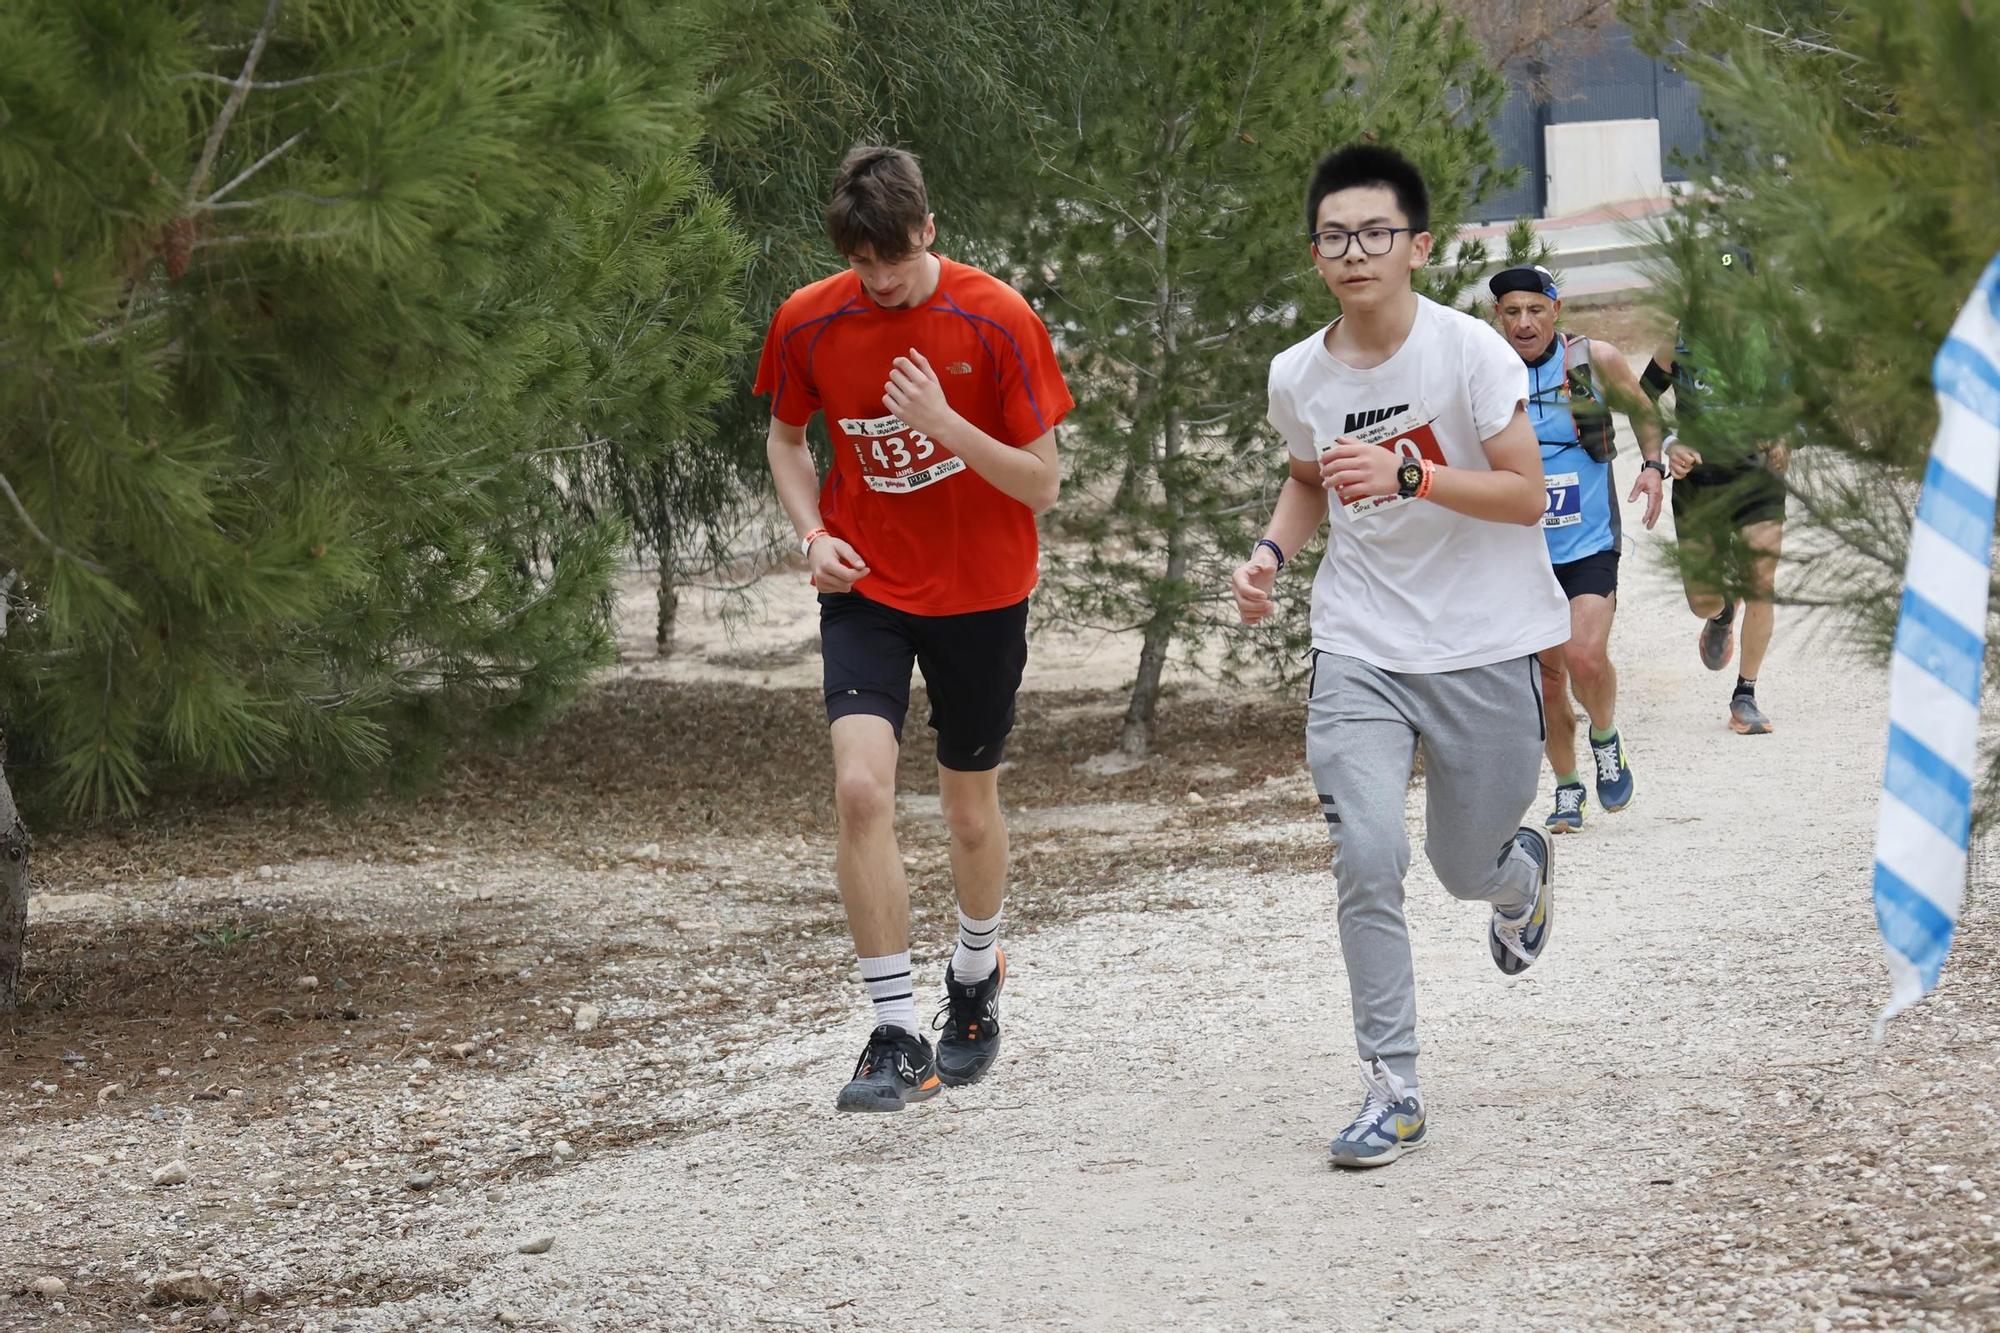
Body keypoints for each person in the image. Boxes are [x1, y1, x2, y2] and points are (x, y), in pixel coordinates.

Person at [1231, 144, 1567, 1169]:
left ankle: (1517, 878)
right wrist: (1268, 554)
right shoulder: (1298, 371)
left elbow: (1523, 495)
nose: (1353, 251)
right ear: (1314, 253)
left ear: (1417, 246)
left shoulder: (1470, 353)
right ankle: (1392, 1084)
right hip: (1359, 643)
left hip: (1480, 641)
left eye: (1374, 233)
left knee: (1461, 866)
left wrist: (1410, 473)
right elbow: (1304, 479)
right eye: (1333, 235)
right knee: (1366, 854)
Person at [755, 145, 1073, 1112]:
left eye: (896, 258)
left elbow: (1044, 481)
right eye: (864, 264)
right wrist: (813, 533)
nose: (883, 281)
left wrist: (946, 425)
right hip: (867, 586)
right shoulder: (808, 319)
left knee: (968, 809)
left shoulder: (998, 316)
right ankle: (895, 1032)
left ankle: (974, 979)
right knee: (860, 790)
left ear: (928, 230)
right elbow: (785, 439)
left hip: (982, 589)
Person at [1488, 264, 1668, 833]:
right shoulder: (1486, 374)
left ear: (1555, 311)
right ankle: (1568, 788)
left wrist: (1654, 466)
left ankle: (1605, 736)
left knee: (1585, 656)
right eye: (1512, 312)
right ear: (1499, 317)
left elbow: (1642, 409)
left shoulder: (1591, 361)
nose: (1524, 323)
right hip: (1521, 550)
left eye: (1535, 310)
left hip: (1589, 539)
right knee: (1548, 678)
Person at [1641, 247, 1786, 735]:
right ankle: (1721, 613)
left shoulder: (1774, 338)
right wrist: (1668, 443)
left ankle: (1745, 695)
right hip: (1698, 478)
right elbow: (1641, 398)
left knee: (1760, 581)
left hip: (1757, 475)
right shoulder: (1679, 339)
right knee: (1701, 599)